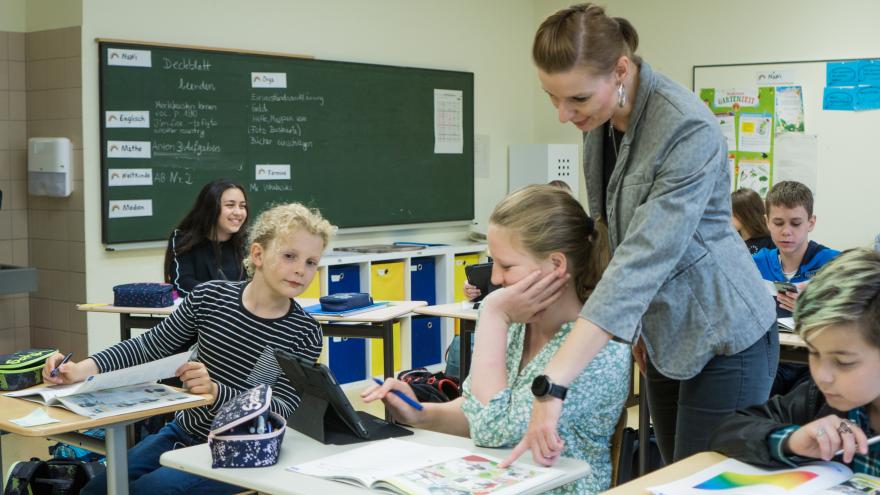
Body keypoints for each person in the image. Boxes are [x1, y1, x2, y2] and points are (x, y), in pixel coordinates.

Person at [504, 4, 777, 467]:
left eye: (577, 100)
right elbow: (611, 230)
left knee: (696, 480)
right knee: (671, 471)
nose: (562, 114)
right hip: (665, 336)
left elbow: (644, 256)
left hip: (726, 335)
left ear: (620, 70)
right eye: (552, 96)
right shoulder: (601, 120)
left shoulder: (684, 126)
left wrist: (553, 386)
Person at [43, 203, 333, 494]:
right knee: (97, 490)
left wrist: (217, 391)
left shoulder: (304, 331)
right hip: (183, 431)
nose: (300, 270)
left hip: (241, 447)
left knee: (149, 491)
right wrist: (81, 370)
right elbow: (149, 346)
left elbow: (282, 409)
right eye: (289, 256)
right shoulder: (210, 297)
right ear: (257, 254)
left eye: (311, 262)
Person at [363, 185, 630, 494]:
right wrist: (421, 413)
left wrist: (492, 312)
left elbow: (492, 429)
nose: (495, 279)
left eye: (506, 266)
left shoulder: (596, 349)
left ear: (556, 265)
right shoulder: (521, 325)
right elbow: (479, 411)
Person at [710, 248, 880, 472]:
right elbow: (729, 432)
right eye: (814, 352)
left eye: (843, 362)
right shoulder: (818, 399)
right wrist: (792, 440)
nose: (821, 376)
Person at [753, 181, 840, 397]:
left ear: (811, 223)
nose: (786, 232)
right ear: (767, 223)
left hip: (814, 361)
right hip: (770, 360)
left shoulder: (833, 263)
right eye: (778, 223)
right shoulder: (756, 263)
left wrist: (816, 302)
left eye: (796, 223)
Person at [164, 178, 249, 299]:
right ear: (211, 207)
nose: (238, 212)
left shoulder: (250, 240)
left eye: (242, 206)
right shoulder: (183, 239)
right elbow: (182, 284)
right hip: (202, 314)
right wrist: (229, 297)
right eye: (230, 205)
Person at [731, 188, 774, 254]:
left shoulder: (770, 241)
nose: (728, 218)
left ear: (746, 214)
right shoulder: (731, 240)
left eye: (731, 214)